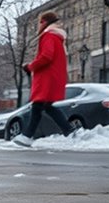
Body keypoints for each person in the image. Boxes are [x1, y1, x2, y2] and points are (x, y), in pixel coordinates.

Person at [13, 10, 75, 147]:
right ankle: (70, 132)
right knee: (47, 107)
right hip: (53, 76)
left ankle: (27, 136)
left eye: (39, 23)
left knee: (37, 106)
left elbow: (46, 56)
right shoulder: (57, 37)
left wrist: (30, 66)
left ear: (44, 22)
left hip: (47, 77)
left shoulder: (48, 36)